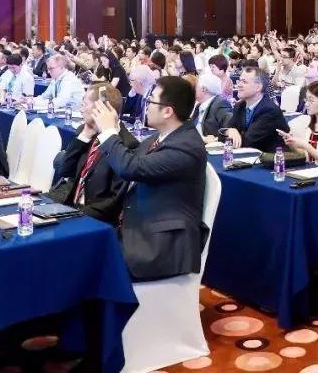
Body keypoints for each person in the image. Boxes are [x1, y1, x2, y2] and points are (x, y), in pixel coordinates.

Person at [88, 76, 209, 281]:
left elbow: (130, 168)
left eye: (151, 101)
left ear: (167, 111)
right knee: (76, 249)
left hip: (161, 244)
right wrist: (114, 128)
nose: (146, 106)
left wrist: (108, 131)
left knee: (86, 265)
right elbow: (130, 158)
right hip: (136, 227)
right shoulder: (160, 137)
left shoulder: (187, 146)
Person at [50, 82, 139, 224]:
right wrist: (84, 136)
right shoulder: (85, 131)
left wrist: (76, 215)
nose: (81, 109)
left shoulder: (126, 144)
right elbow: (65, 171)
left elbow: (113, 202)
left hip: (92, 218)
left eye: (85, 104)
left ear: (102, 109)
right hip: (68, 205)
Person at [220, 66, 290, 152]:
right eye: (239, 81)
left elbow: (247, 142)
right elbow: (222, 135)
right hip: (249, 155)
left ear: (258, 87)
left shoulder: (269, 110)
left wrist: (229, 134)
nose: (239, 85)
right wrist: (230, 131)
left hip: (273, 157)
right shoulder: (240, 106)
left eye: (244, 82)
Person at [191, 72, 232, 141]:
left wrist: (215, 139)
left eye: (196, 87)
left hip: (211, 146)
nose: (193, 89)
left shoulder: (220, 104)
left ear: (203, 89)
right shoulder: (199, 106)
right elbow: (191, 127)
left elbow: (229, 129)